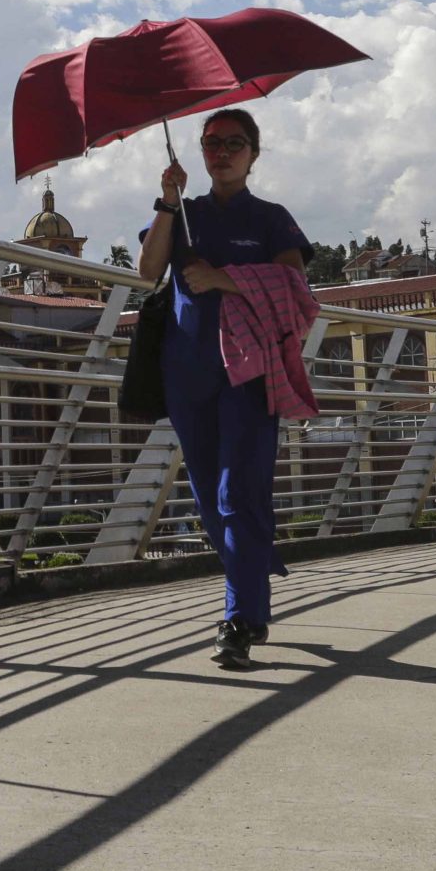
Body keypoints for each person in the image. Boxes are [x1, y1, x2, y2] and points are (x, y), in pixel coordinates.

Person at [136, 107, 310, 669]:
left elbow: (295, 289)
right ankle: (251, 588)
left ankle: (239, 617)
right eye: (212, 143)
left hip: (251, 374)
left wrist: (222, 278)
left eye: (235, 143)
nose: (222, 152)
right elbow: (147, 270)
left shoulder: (271, 219)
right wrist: (167, 198)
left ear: (254, 154)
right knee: (212, 498)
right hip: (187, 372)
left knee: (239, 492)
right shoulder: (184, 215)